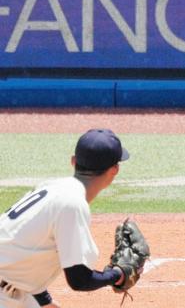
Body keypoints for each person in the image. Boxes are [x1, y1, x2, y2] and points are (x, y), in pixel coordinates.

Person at [0, 129, 131, 307]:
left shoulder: (52, 187)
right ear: (115, 169)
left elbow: (24, 246)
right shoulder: (72, 204)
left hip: (14, 287)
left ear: (73, 161)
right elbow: (79, 280)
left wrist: (45, 302)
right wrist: (117, 275)